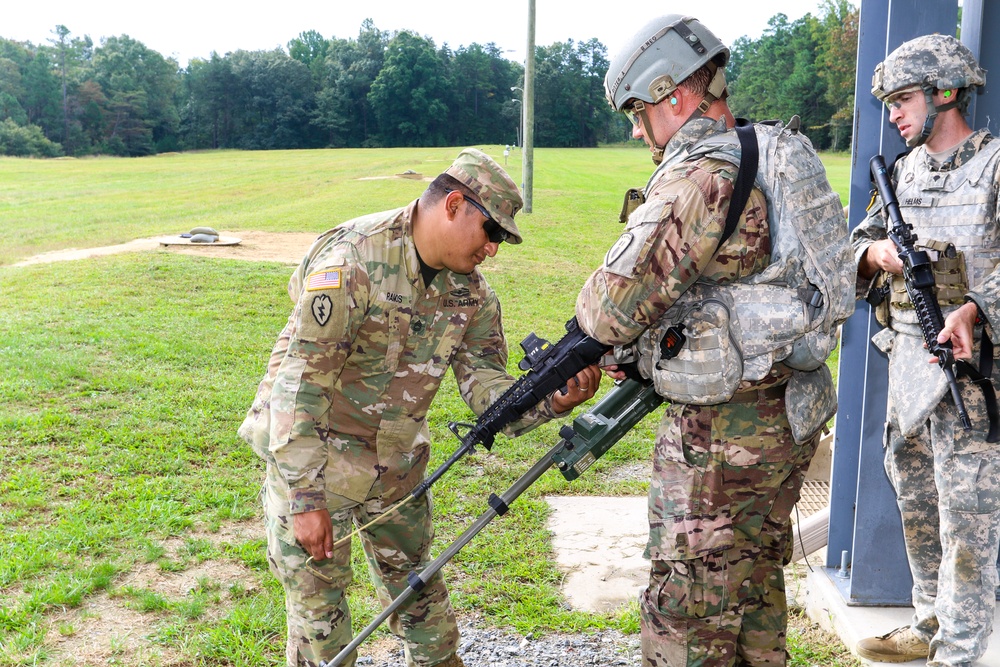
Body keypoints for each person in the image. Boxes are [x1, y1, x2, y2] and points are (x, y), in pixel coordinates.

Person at [238, 147, 601, 667]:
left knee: (422, 604)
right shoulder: (353, 261)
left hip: (396, 469)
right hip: (319, 466)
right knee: (322, 628)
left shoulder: (473, 295)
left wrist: (552, 398)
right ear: (453, 204)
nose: (493, 250)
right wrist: (304, 499)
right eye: (491, 232)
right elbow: (300, 387)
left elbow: (486, 391)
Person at [574, 14, 847, 666]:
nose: (637, 131)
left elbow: (606, 308)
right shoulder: (782, 150)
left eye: (639, 112)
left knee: (688, 618)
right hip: (790, 414)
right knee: (753, 594)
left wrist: (625, 344)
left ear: (674, 94)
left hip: (721, 440)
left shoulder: (701, 175)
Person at [853, 34, 1000, 666]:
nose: (893, 114)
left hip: (977, 372)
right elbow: (854, 245)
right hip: (911, 363)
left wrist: (977, 308)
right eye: (888, 102)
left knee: (968, 514)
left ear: (945, 93)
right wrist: (874, 252)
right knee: (917, 500)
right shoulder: (902, 173)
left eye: (903, 99)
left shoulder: (995, 167)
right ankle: (931, 622)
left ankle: (961, 652)